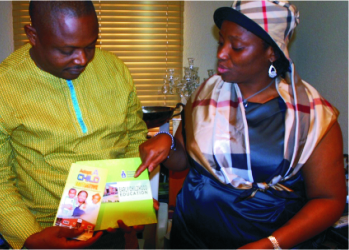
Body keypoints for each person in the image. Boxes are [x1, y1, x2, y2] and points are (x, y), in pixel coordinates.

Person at [136, 0, 347, 249]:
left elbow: (329, 200)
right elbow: (182, 160)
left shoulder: (311, 117)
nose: (221, 54)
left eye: (236, 47)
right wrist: (166, 143)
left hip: (266, 240)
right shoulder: (206, 95)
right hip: (191, 237)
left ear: (272, 51)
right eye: (221, 41)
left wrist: (271, 244)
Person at [0, 1, 148, 249]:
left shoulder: (114, 69)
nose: (82, 59)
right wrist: (30, 237)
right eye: (66, 50)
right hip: (45, 233)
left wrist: (132, 202)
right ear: (33, 35)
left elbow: (134, 137)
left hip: (112, 228)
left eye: (90, 46)